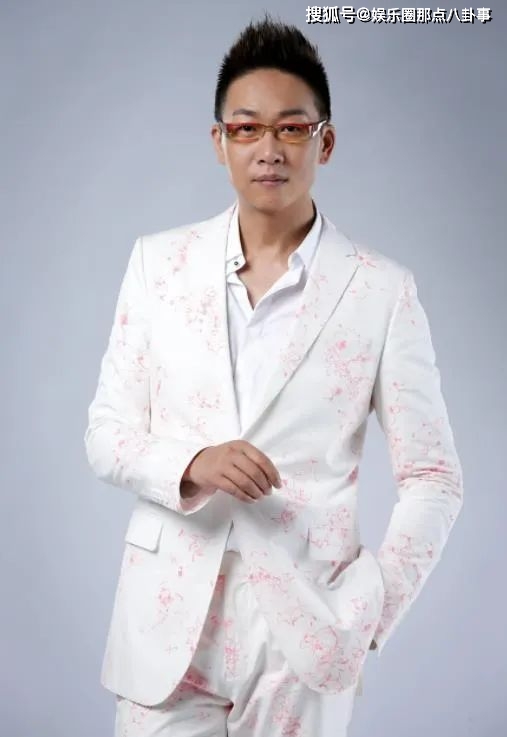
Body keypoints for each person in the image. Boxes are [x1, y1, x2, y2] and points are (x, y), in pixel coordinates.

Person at [84, 14, 464, 737]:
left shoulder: (381, 291)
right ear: (219, 142)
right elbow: (105, 434)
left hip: (307, 630)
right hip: (165, 624)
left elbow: (433, 477)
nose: (268, 149)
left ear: (325, 141)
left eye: (291, 128)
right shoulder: (156, 265)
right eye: (246, 128)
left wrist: (370, 606)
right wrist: (193, 462)